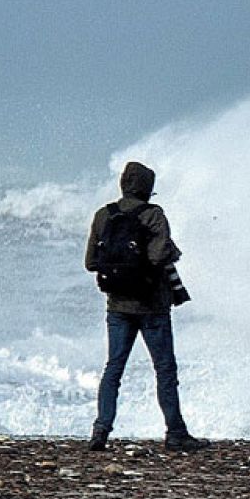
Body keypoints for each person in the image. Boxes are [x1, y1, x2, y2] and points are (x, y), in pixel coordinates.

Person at [84, 161, 210, 453]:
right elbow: (158, 256)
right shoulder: (153, 215)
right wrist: (170, 251)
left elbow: (91, 263)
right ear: (147, 188)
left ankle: (100, 430)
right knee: (164, 369)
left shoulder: (104, 215)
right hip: (152, 306)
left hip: (117, 305)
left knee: (113, 368)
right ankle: (175, 433)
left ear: (123, 184)